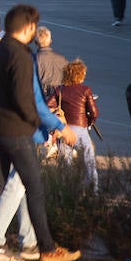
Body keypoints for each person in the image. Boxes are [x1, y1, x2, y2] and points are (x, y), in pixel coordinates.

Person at [0, 4, 81, 261]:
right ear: (28, 28)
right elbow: (32, 101)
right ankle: (47, 249)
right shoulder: (23, 55)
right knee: (35, 188)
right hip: (16, 131)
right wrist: (58, 126)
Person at [49, 60, 100, 191]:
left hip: (63, 130)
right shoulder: (85, 90)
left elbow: (49, 105)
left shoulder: (59, 89)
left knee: (66, 164)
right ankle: (93, 191)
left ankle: (68, 191)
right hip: (80, 130)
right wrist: (89, 122)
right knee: (89, 162)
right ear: (80, 75)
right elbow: (94, 112)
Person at [33, 26, 68, 97]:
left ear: (35, 42)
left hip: (42, 97)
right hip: (59, 96)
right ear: (50, 41)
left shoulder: (33, 60)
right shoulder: (62, 59)